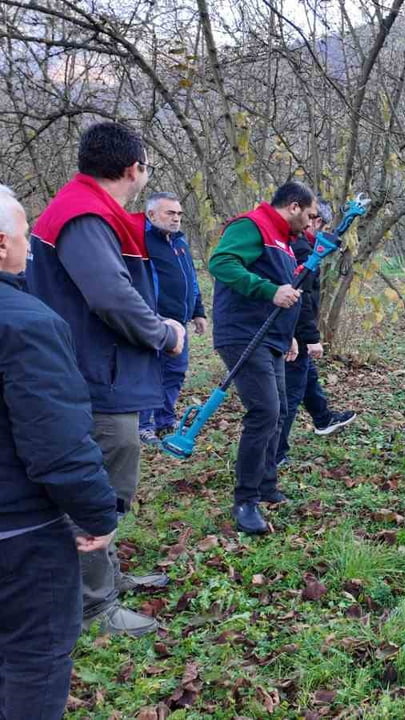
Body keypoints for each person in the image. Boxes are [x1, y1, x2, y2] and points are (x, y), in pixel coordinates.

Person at [27, 121, 184, 636]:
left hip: (103, 371)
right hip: (93, 376)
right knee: (96, 489)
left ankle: (107, 578)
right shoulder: (85, 215)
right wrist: (163, 333)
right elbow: (111, 296)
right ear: (134, 169)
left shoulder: (91, 209)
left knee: (110, 484)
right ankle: (94, 605)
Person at [0, 184, 118, 720]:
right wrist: (98, 513)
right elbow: (58, 446)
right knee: (34, 659)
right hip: (20, 537)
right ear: (3, 243)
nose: (29, 248)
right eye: (26, 236)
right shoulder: (26, 324)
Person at [209, 182, 311, 534]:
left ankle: (266, 484)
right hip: (243, 335)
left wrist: (289, 333)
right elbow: (221, 263)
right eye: (309, 215)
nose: (310, 224)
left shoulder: (283, 241)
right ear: (294, 206)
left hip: (271, 338)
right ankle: (245, 500)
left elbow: (284, 292)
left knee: (278, 411)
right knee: (265, 411)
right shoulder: (251, 226)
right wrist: (268, 291)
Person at [276, 201, 357, 466]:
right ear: (315, 221)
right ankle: (275, 453)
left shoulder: (303, 245)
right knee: (290, 392)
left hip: (294, 331)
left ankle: (323, 419)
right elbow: (300, 298)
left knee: (307, 376)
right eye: (320, 223)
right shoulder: (300, 249)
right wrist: (310, 338)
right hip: (293, 335)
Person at [138, 192, 207, 447]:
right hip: (154, 321)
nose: (176, 218)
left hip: (181, 322)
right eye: (170, 213)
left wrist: (198, 311)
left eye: (179, 213)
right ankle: (143, 425)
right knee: (151, 373)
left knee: (175, 372)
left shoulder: (180, 241)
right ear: (151, 214)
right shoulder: (141, 240)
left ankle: (165, 419)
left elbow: (191, 279)